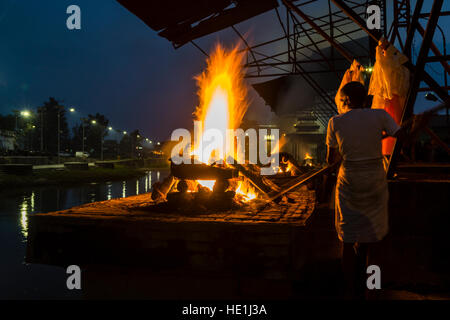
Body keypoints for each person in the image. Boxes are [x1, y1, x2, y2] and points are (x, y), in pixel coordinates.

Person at [326, 81, 405, 299]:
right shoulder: (379, 115)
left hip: (350, 182)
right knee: (369, 239)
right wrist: (414, 126)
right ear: (364, 100)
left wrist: (342, 154)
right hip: (374, 181)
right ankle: (371, 287)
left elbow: (331, 160)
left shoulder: (336, 122)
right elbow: (401, 136)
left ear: (348, 100)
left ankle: (350, 290)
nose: (341, 103)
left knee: (348, 238)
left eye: (342, 100)